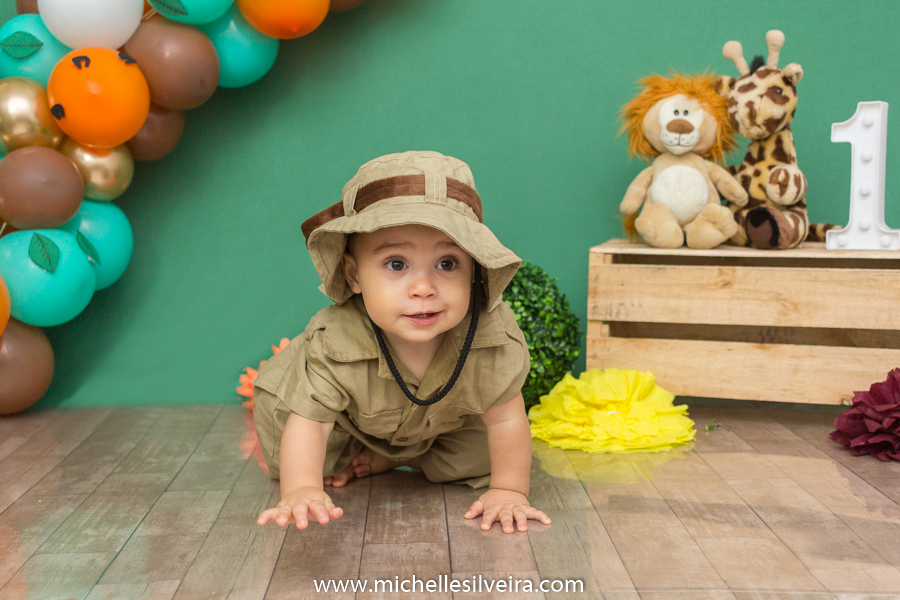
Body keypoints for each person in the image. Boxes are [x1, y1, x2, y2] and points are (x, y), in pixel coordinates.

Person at [253, 151, 551, 534]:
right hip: (345, 426)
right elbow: (311, 423)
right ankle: (365, 455)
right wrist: (302, 489)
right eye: (397, 264)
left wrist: (509, 491)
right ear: (353, 275)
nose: (423, 288)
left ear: (474, 271)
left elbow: (507, 419)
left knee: (485, 457)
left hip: (437, 427)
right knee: (303, 455)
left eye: (447, 264)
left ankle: (398, 457)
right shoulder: (337, 339)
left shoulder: (491, 338)